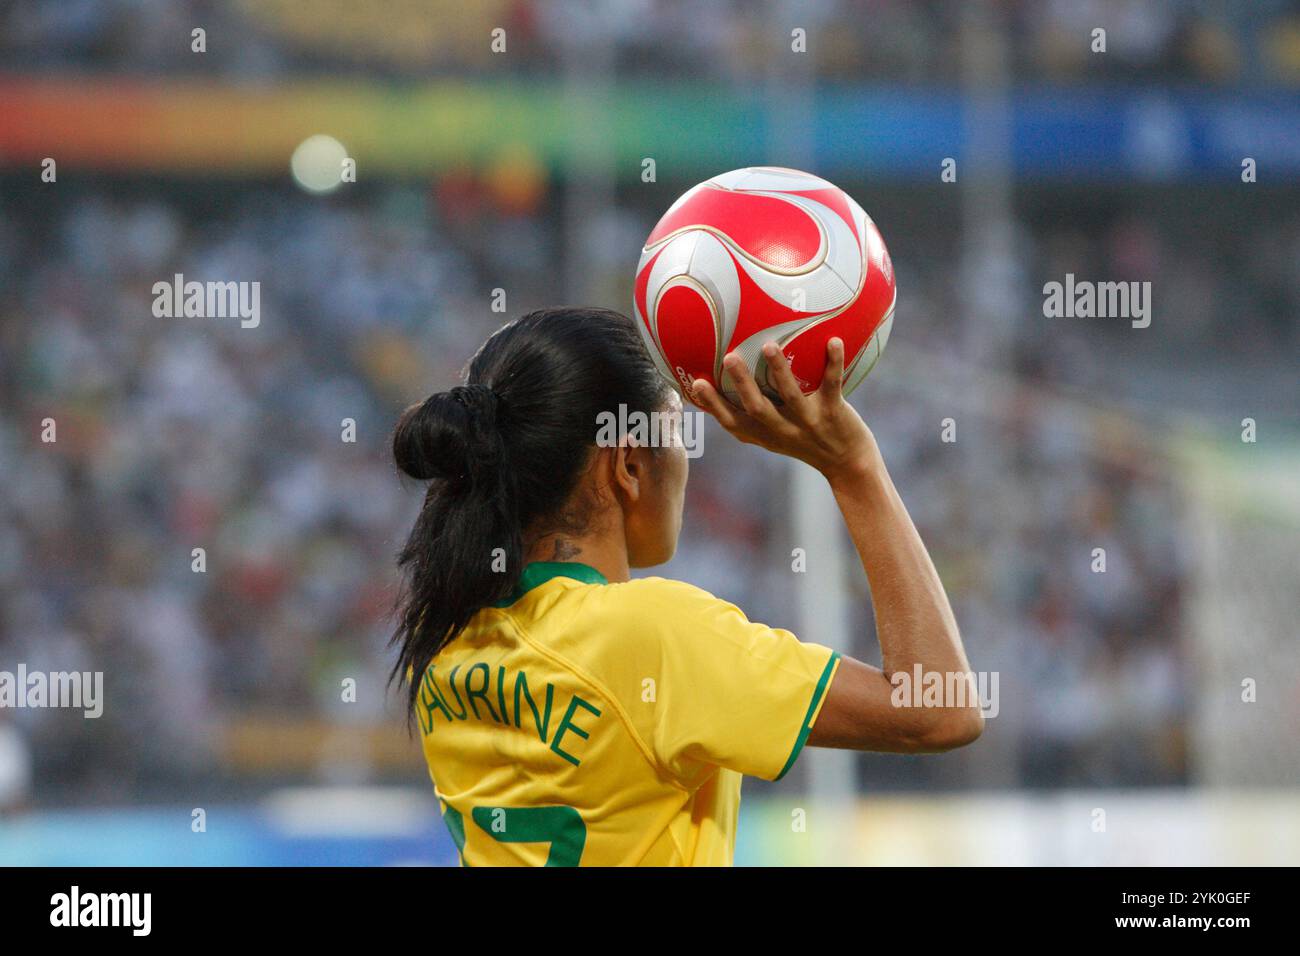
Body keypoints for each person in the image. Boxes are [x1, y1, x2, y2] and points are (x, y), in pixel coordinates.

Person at [391, 306, 981, 866]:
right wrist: (855, 468)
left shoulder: (442, 626)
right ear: (626, 466)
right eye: (675, 432)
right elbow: (939, 709)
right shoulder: (649, 634)